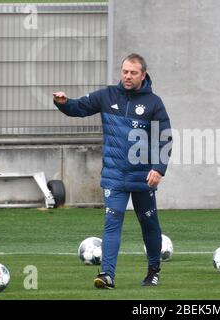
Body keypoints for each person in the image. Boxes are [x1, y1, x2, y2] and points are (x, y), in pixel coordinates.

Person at [53, 53, 172, 288]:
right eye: (125, 71)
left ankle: (153, 271)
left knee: (148, 224)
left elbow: (164, 139)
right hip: (114, 176)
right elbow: (79, 107)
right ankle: (107, 275)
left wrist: (158, 169)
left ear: (143, 75)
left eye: (133, 73)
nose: (128, 76)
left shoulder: (154, 103)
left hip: (143, 177)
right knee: (112, 223)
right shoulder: (107, 95)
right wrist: (64, 103)